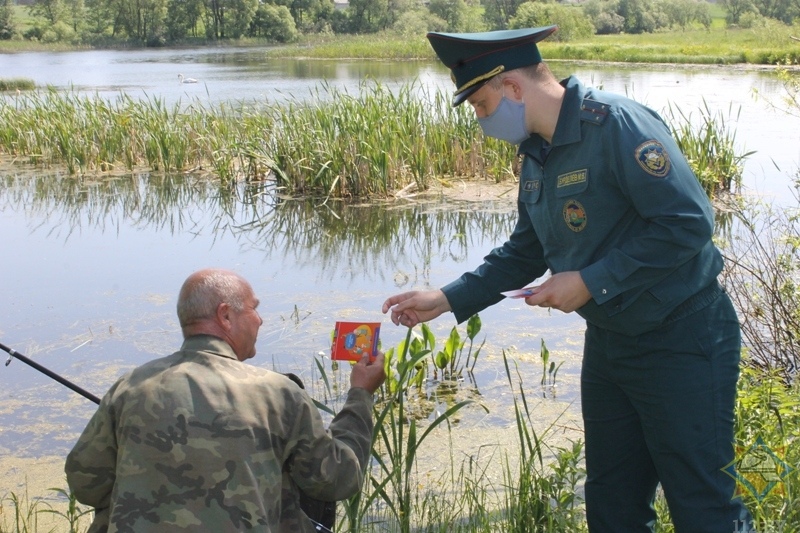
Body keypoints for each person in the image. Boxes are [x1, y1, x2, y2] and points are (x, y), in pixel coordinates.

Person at [382, 26, 753, 532]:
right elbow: (524, 252)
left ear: (513, 87)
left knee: (702, 504)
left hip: (681, 337)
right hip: (610, 343)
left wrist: (590, 281)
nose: (482, 120)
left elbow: (687, 223)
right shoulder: (536, 154)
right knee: (612, 503)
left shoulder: (616, 125)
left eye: (483, 105)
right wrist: (446, 298)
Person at [66, 268, 386, 532]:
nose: (260, 320)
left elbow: (86, 483)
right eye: (254, 308)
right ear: (226, 316)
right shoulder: (278, 393)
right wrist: (360, 395)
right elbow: (337, 479)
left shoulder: (129, 388)